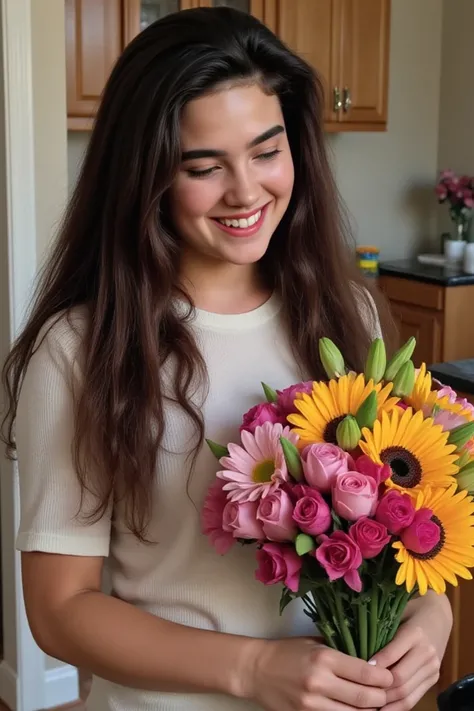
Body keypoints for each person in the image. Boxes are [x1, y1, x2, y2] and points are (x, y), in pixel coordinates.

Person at [1, 7, 452, 711]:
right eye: (203, 167)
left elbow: (406, 523)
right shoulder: (80, 349)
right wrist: (252, 671)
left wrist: (433, 616)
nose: (246, 192)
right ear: (144, 177)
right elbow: (60, 609)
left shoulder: (350, 314)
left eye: (266, 152)